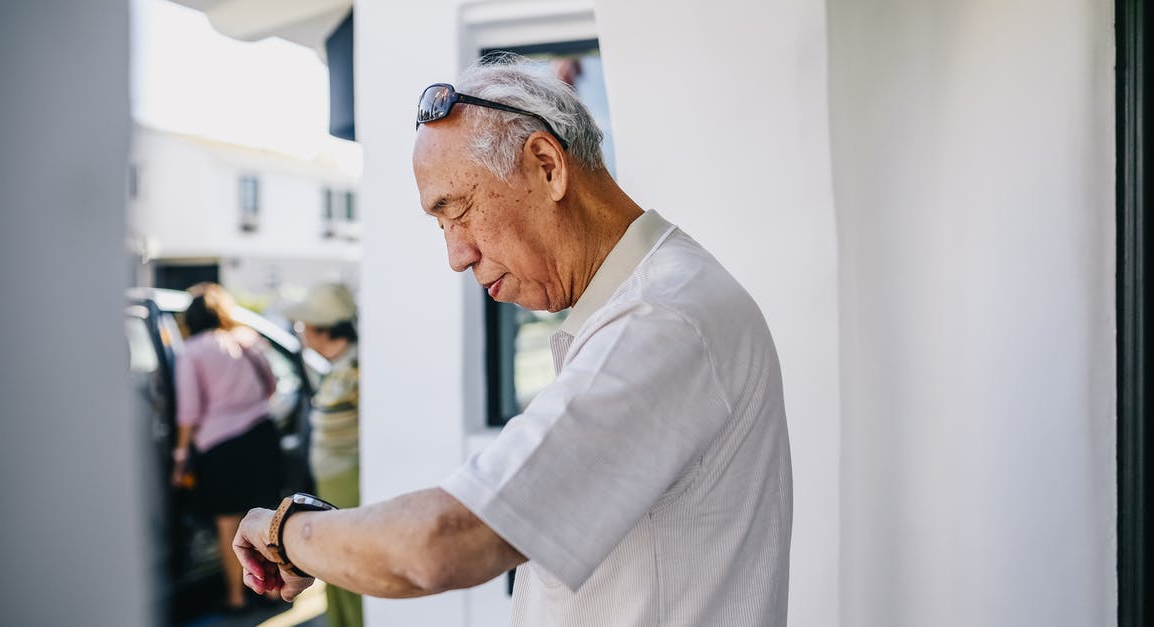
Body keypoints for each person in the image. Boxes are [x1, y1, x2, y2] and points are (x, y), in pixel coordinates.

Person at [234, 56, 793, 626]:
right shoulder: (659, 301)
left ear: (547, 165)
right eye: (442, 225)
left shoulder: (660, 319)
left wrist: (286, 533)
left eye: (459, 211)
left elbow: (442, 542)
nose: (457, 255)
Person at [172, 282, 282, 614]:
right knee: (267, 517)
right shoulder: (247, 339)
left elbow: (189, 411)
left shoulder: (191, 352)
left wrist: (180, 458)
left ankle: (235, 597)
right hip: (261, 436)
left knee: (228, 524)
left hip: (221, 447)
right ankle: (275, 591)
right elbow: (271, 386)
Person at [282, 283, 363, 627]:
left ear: (321, 327)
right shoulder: (339, 367)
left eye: (303, 323)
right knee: (337, 568)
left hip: (352, 488)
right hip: (334, 488)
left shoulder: (358, 370)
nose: (300, 331)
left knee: (352, 568)